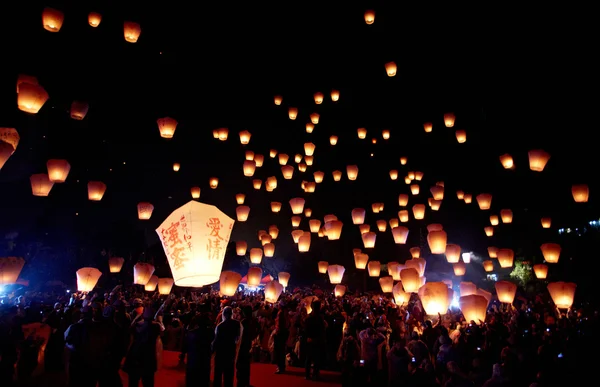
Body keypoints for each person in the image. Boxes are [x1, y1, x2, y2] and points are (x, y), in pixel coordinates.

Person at [123, 305, 162, 387]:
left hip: (136, 354)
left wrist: (136, 318)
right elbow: (162, 331)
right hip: (148, 357)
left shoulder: (137, 325)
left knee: (133, 382)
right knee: (148, 382)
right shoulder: (156, 326)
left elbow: (130, 333)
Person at [212, 306, 242, 387]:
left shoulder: (220, 326)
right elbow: (238, 337)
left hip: (220, 353)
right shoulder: (237, 324)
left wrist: (212, 350)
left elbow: (216, 340)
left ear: (224, 314)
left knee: (218, 374)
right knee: (229, 375)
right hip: (230, 352)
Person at [184, 309, 214, 387]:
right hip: (204, 361)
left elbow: (187, 345)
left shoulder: (191, 333)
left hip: (193, 361)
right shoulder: (210, 333)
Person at [303, 301, 327, 380]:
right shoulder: (320, 318)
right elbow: (322, 330)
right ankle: (315, 374)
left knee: (309, 358)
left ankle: (307, 374)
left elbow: (305, 330)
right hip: (317, 340)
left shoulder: (309, 317)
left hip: (310, 339)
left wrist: (308, 337)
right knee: (316, 358)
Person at [237, 305, 259, 387]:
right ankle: (246, 382)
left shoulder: (243, 322)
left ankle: (241, 383)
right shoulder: (253, 321)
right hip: (248, 344)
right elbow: (258, 329)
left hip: (242, 345)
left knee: (241, 365)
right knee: (246, 364)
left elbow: (239, 334)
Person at [274, 307, 289, 374]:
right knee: (281, 351)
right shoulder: (284, 313)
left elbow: (279, 324)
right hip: (282, 333)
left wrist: (277, 331)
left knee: (279, 351)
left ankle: (280, 367)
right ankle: (281, 366)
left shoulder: (281, 314)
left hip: (280, 334)